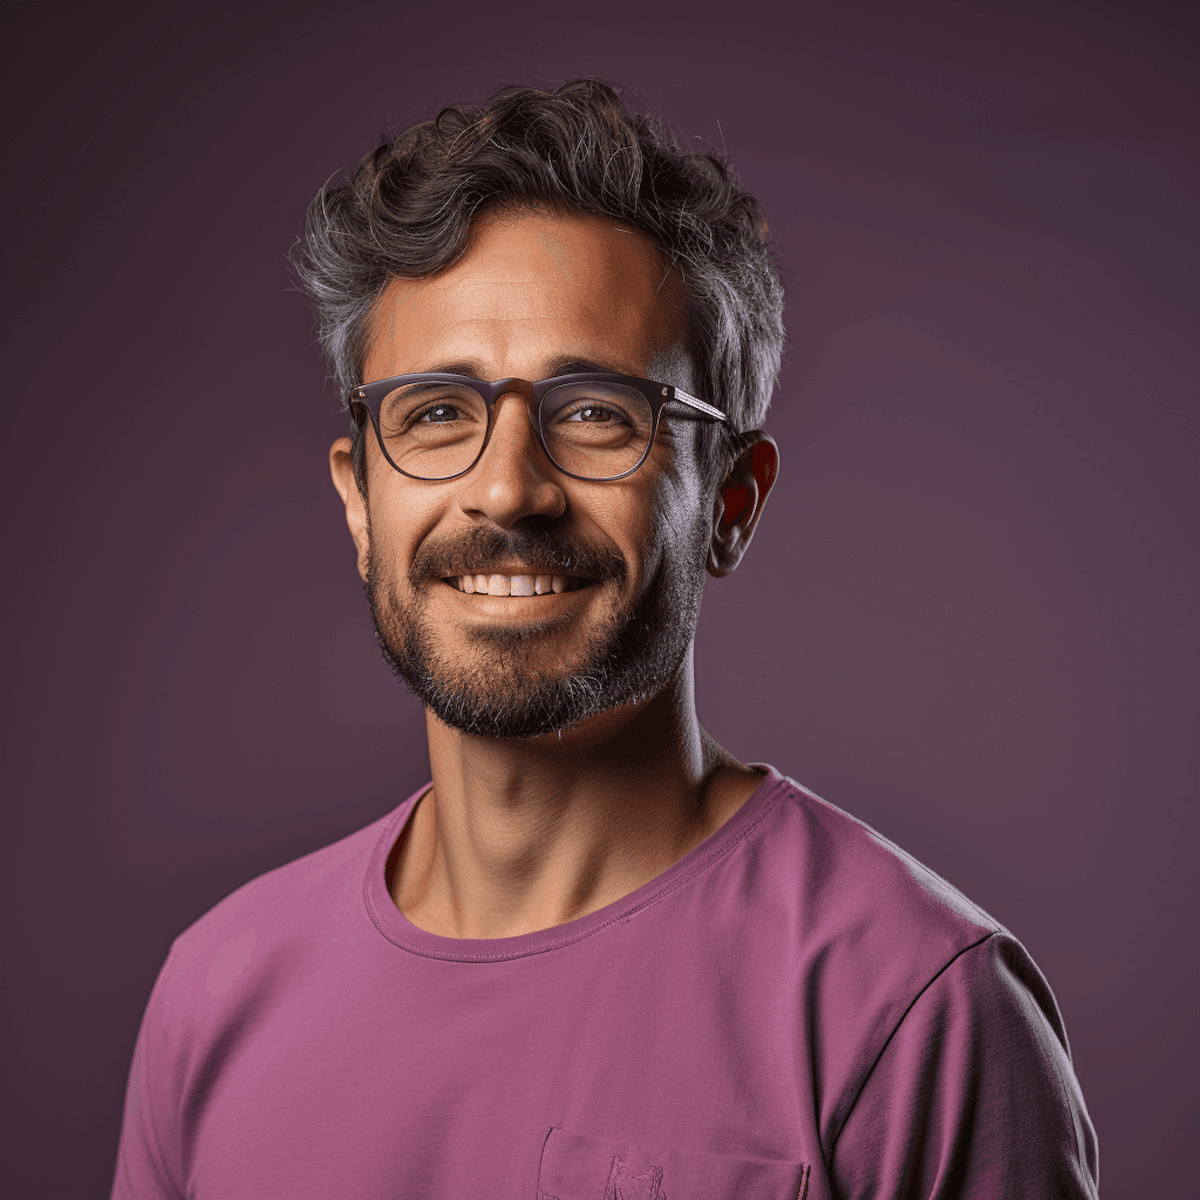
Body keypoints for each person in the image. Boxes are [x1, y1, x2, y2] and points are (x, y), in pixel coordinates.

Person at [111, 79, 1099, 1199]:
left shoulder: (917, 1010)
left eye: (595, 412)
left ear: (731, 500)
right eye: (436, 412)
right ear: (358, 500)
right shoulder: (215, 993)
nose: (506, 490)